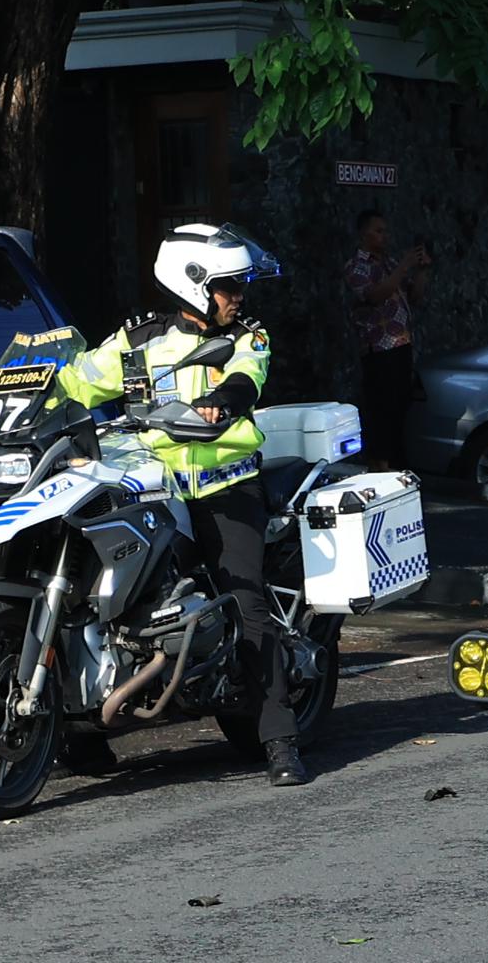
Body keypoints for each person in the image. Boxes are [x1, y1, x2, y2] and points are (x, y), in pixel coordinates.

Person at [55, 224, 309, 786]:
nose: (237, 295)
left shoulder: (247, 335)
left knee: (245, 601)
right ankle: (80, 733)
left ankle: (280, 739)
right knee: (87, 594)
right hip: (152, 487)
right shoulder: (137, 340)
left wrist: (222, 403)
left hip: (226, 486)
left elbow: (248, 377)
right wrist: (26, 391)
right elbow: (78, 381)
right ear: (193, 284)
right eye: (227, 285)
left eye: (239, 283)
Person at [341, 208, 429, 470]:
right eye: (378, 231)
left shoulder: (388, 263)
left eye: (386, 231)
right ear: (363, 234)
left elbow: (413, 297)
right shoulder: (356, 266)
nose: (385, 236)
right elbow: (375, 295)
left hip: (401, 345)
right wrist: (403, 267)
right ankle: (379, 463)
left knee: (400, 407)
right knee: (381, 409)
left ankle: (397, 462)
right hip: (377, 348)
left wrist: (423, 270)